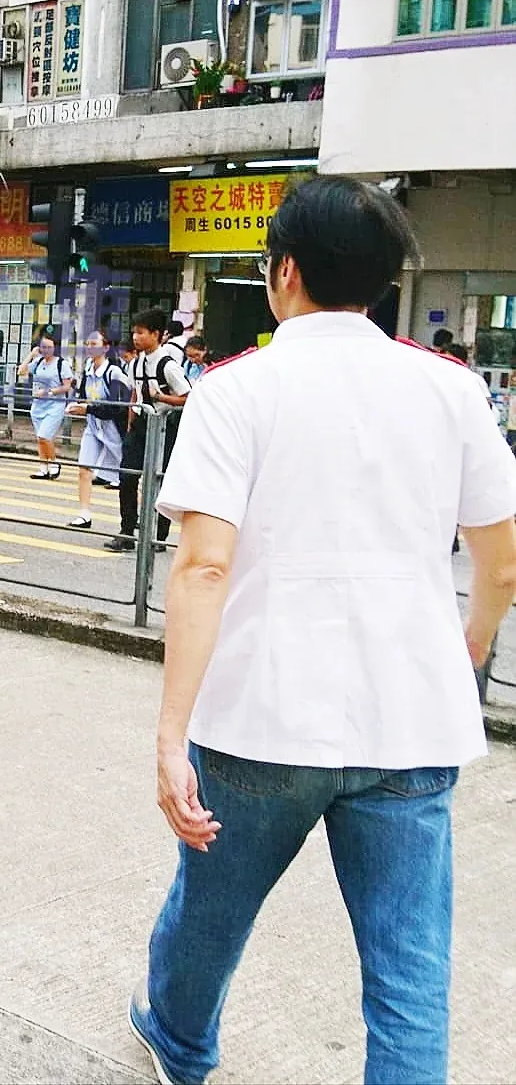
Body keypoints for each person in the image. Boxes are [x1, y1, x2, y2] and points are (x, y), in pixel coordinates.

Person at [128, 175, 516, 1085]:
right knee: (408, 969)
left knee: (211, 913)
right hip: (408, 723)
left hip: (262, 720)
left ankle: (181, 1047)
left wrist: (170, 732)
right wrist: (467, 645)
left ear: (284, 271)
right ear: (380, 283)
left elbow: (203, 566)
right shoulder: (451, 390)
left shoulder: (236, 390)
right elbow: (498, 562)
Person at [107, 309, 190, 552]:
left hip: (165, 426)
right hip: (141, 425)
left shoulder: (168, 365)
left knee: (160, 480)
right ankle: (127, 532)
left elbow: (188, 396)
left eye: (141, 333)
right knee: (128, 476)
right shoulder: (137, 363)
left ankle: (158, 537)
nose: (135, 337)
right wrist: (132, 417)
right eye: (134, 332)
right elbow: (135, 391)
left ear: (156, 335)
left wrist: (161, 397)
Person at [65, 330, 131, 527]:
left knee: (127, 476)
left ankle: (138, 515)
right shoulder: (87, 370)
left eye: (94, 343)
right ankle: (84, 514)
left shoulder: (114, 372)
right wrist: (78, 406)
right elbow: (84, 396)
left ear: (106, 347)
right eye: (88, 343)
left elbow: (116, 408)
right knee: (84, 468)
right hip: (94, 426)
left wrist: (87, 408)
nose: (90, 347)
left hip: (114, 429)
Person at [19, 329, 74, 479]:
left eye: (49, 347)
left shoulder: (61, 364)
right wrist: (31, 355)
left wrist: (49, 392)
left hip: (54, 405)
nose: (46, 350)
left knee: (45, 436)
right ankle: (44, 467)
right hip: (38, 406)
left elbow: (67, 386)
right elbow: (21, 371)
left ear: (55, 347)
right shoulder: (37, 362)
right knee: (40, 438)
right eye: (43, 347)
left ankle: (54, 463)